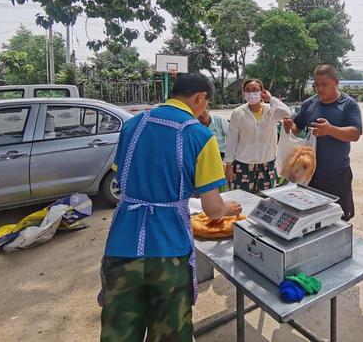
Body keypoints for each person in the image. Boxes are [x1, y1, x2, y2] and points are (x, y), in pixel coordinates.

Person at [100, 73, 242, 342]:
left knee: (118, 331)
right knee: (169, 333)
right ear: (200, 97)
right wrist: (228, 208)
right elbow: (212, 209)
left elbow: (121, 177)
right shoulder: (199, 135)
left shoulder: (133, 125)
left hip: (122, 243)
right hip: (169, 249)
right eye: (205, 104)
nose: (203, 111)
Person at [283, 64, 362, 221]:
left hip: (337, 175)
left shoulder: (348, 105)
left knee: (338, 220)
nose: (319, 89)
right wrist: (288, 126)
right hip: (310, 175)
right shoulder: (309, 104)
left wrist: (330, 129)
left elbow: (355, 133)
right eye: (316, 85)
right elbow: (297, 128)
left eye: (324, 84)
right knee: (312, 218)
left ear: (336, 82)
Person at [224, 79, 291, 193]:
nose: (251, 93)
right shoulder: (238, 113)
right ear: (244, 93)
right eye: (248, 90)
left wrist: (270, 99)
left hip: (267, 164)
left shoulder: (271, 111)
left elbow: (286, 112)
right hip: (243, 164)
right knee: (242, 200)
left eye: (255, 90)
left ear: (262, 91)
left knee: (265, 201)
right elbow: (231, 140)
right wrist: (229, 164)